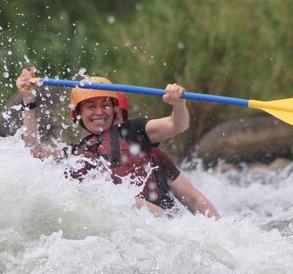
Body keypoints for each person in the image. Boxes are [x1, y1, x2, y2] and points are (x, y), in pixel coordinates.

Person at [15, 68, 191, 214]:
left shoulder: (132, 130)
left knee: (114, 196)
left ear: (114, 110)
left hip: (160, 222)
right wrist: (28, 100)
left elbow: (177, 125)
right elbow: (34, 151)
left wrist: (178, 105)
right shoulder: (77, 153)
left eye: (105, 106)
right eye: (91, 107)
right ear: (78, 114)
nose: (99, 112)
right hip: (123, 232)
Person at [116, 92, 219, 218]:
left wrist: (179, 105)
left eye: (115, 116)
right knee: (123, 200)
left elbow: (194, 199)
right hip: (129, 227)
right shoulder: (87, 157)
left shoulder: (154, 155)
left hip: (167, 226)